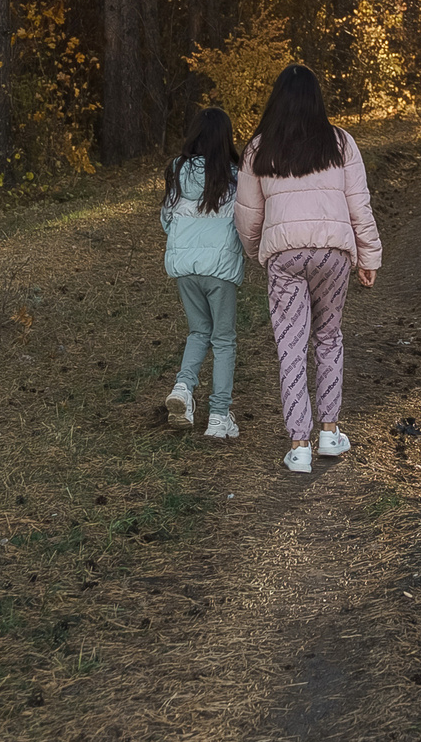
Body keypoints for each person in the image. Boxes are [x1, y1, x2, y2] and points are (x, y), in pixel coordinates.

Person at [234, 64, 382, 474]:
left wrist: (254, 250)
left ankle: (299, 445)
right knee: (329, 337)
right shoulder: (340, 142)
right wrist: (368, 256)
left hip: (285, 259)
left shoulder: (259, 149)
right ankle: (330, 434)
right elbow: (359, 205)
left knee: (290, 346)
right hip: (333, 255)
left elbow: (248, 215)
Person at [161, 107, 244, 439]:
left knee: (198, 333)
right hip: (220, 270)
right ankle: (219, 416)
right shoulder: (234, 175)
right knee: (223, 340)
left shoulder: (177, 171)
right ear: (226, 139)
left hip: (185, 270)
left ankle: (183, 389)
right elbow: (245, 221)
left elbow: (166, 219)